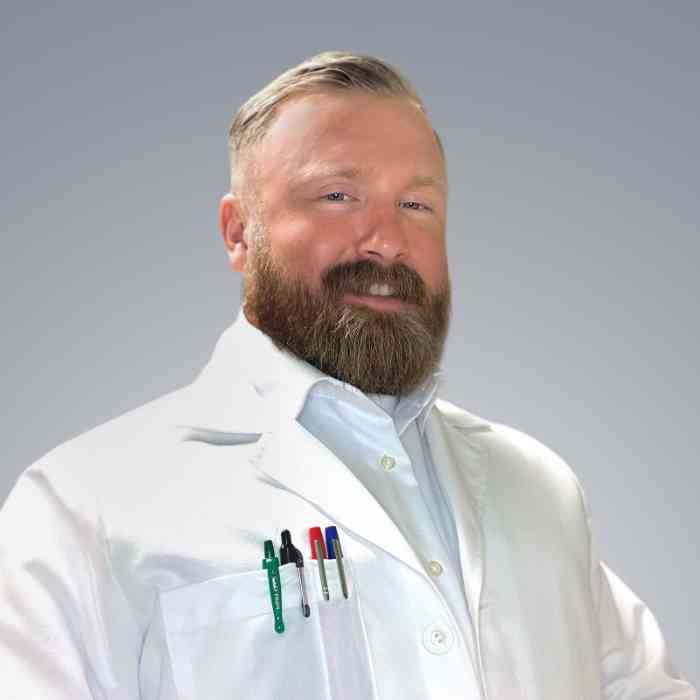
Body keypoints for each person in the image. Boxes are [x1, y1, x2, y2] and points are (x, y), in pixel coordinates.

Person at [0, 51, 695, 700]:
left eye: (416, 205)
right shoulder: (84, 508)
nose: (387, 241)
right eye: (338, 196)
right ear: (239, 232)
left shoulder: (538, 490)